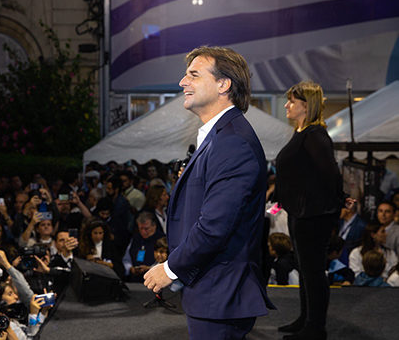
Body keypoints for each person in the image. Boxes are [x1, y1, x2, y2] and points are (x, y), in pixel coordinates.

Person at [144, 46, 272, 339]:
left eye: (193, 74)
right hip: (214, 291)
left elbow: (215, 227)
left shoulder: (232, 143)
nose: (182, 82)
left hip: (220, 294)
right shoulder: (222, 137)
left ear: (223, 84)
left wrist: (170, 269)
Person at [274, 81, 346, 340]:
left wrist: (338, 202)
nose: (286, 105)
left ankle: (315, 328)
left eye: (292, 101)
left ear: (306, 106)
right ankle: (307, 320)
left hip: (312, 216)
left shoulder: (314, 135)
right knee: (307, 270)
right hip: (302, 213)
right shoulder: (304, 132)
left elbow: (330, 174)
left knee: (313, 272)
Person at [123, 212, 164, 283]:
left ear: (154, 226)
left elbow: (165, 262)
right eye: (140, 228)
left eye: (146, 228)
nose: (143, 231)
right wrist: (130, 268)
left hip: (154, 281)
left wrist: (149, 268)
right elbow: (126, 258)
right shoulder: (135, 238)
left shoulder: (162, 240)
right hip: (135, 280)